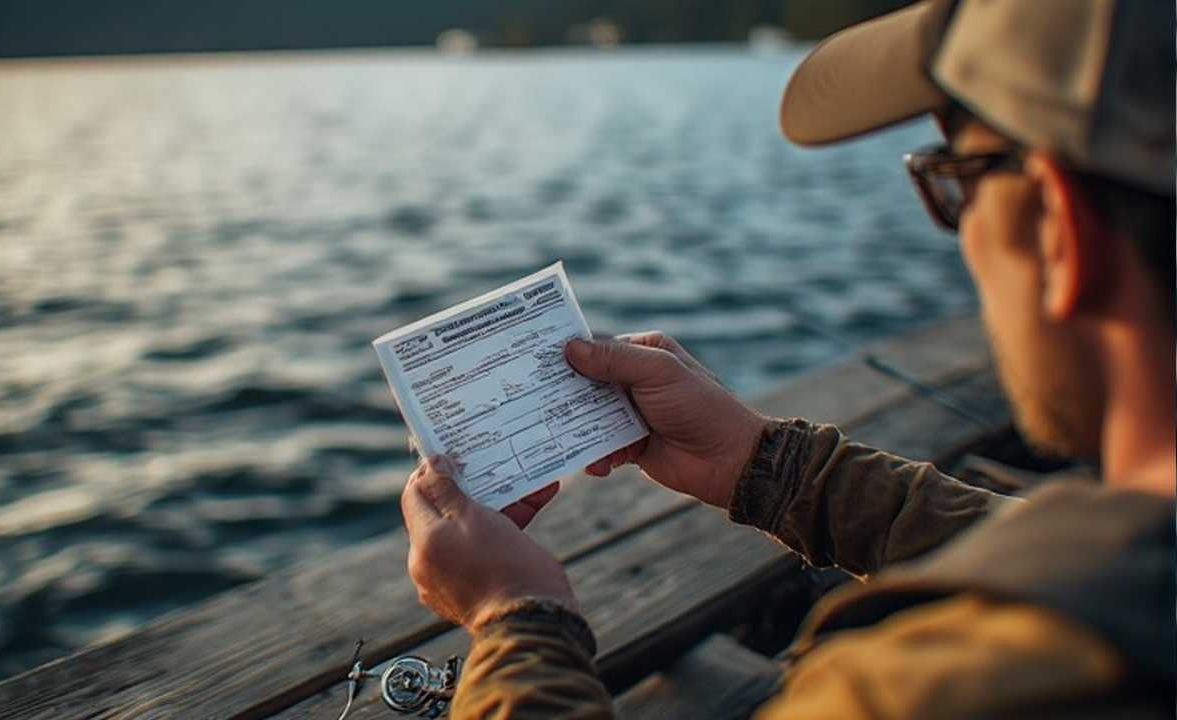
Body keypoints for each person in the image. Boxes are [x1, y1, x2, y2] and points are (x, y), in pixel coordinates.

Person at [399, 0, 1176, 716]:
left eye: (956, 186)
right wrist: (768, 466)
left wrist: (515, 620)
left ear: (1054, 229)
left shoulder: (922, 691)